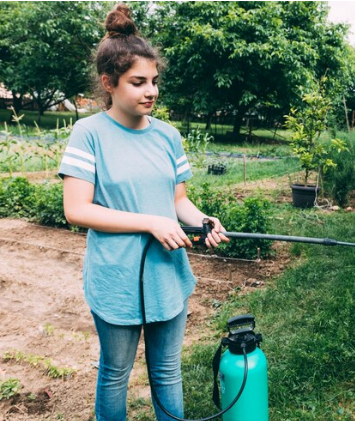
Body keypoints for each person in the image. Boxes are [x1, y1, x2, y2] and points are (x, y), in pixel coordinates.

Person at [59, 4, 229, 420]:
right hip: (115, 277)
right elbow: (76, 209)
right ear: (109, 84)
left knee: (168, 371)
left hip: (167, 276)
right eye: (138, 82)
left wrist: (201, 220)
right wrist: (151, 223)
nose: (150, 91)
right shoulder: (88, 134)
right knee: (116, 373)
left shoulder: (168, 136)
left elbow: (177, 202)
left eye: (154, 81)